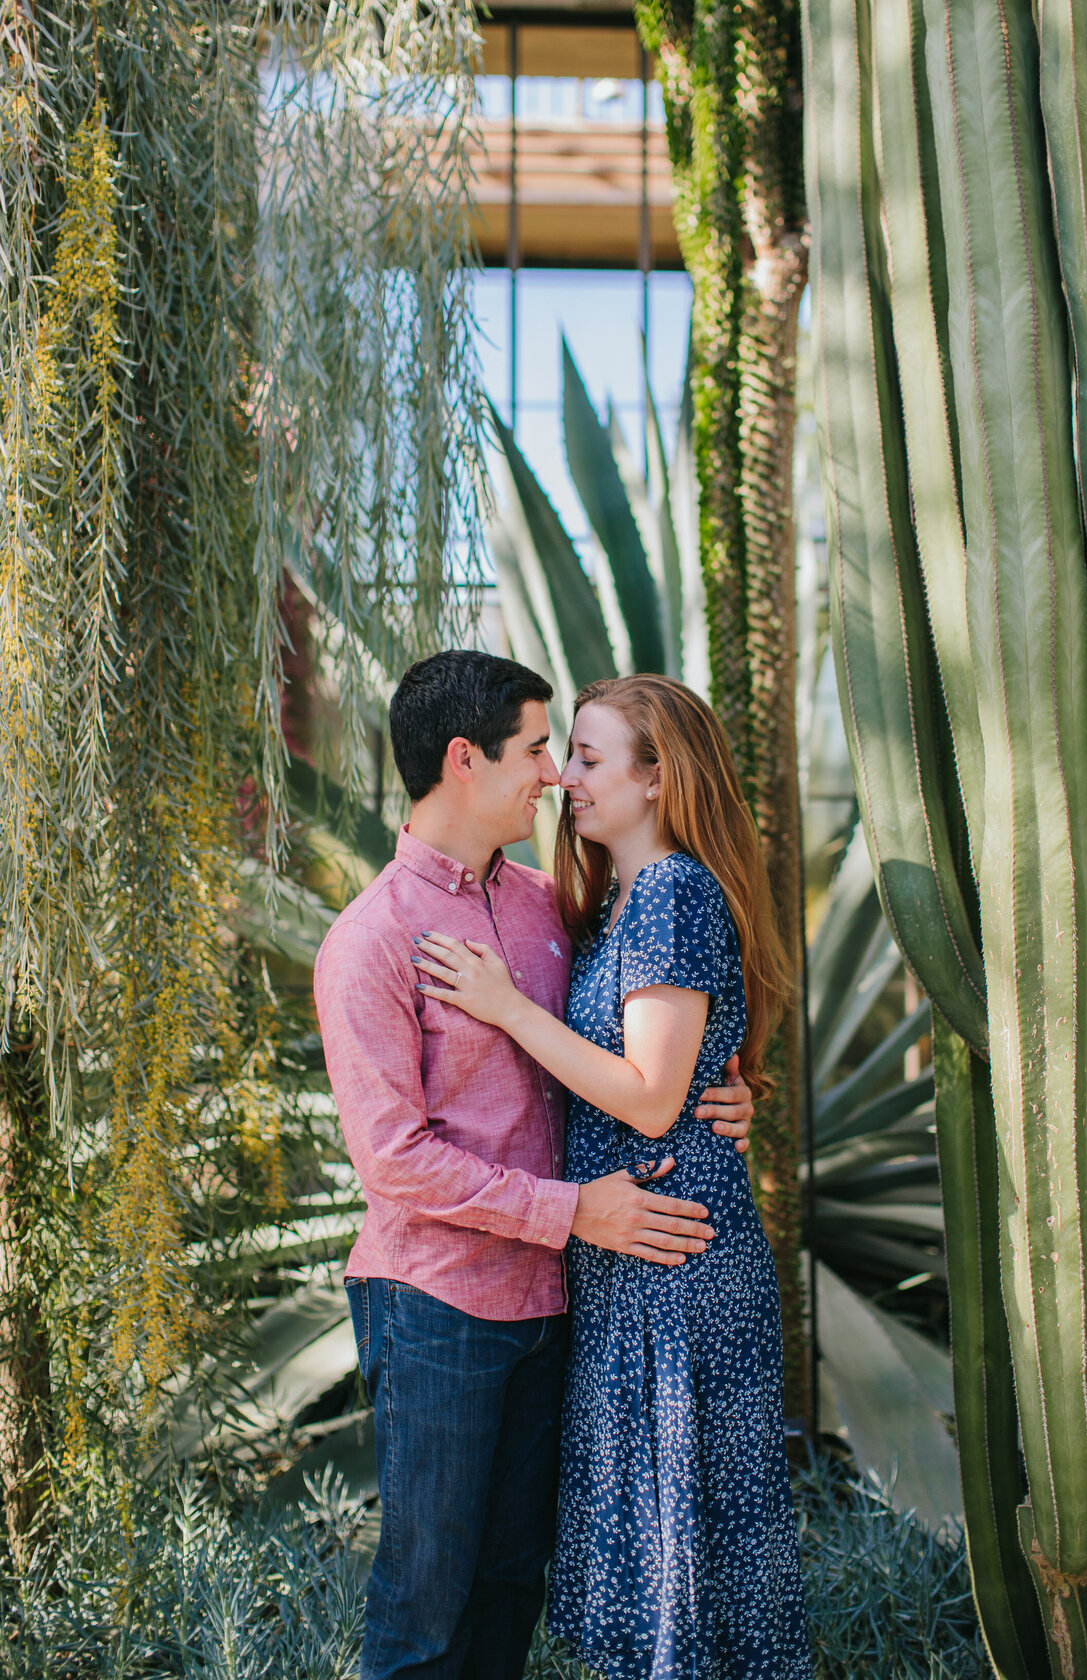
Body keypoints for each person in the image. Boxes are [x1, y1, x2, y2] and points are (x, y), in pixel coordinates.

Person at [313, 651, 756, 1680]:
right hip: (437, 1305)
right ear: (465, 760)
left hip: (558, 1306)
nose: (555, 773)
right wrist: (573, 1213)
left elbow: (640, 1041)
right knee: (424, 1610)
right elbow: (396, 1166)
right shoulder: (369, 943)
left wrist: (724, 1094)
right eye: (538, 748)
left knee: (513, 1586)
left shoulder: (550, 908)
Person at [414, 673, 814, 1680]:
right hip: (633, 1261)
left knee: (688, 1565)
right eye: (564, 757)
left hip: (674, 1271)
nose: (564, 781)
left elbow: (645, 1097)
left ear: (658, 778)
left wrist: (505, 1007)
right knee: (676, 1565)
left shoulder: (672, 891)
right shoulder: (619, 902)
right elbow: (678, 1072)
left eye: (587, 760)